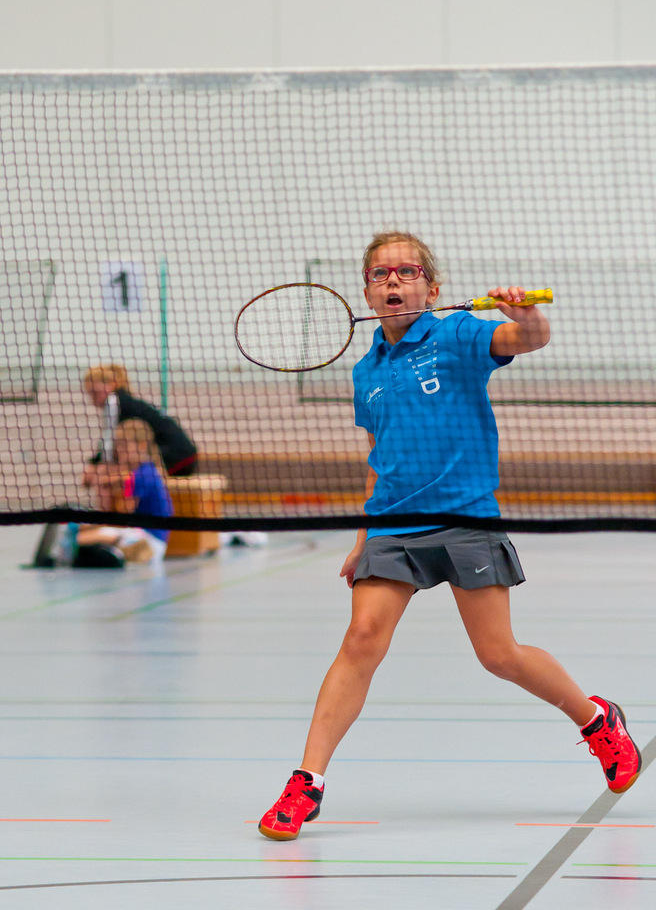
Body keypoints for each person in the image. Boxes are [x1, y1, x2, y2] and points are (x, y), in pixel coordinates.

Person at [257, 230, 642, 841]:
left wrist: (524, 315)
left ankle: (597, 721)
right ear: (367, 292)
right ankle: (307, 782)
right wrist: (363, 535)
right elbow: (378, 456)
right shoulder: (366, 372)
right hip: (393, 525)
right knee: (360, 640)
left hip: (466, 518)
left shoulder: (457, 335)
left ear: (431, 289)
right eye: (380, 274)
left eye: (406, 271)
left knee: (499, 656)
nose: (393, 281)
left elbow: (527, 338)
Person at [82, 364, 198, 496]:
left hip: (177, 458)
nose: (93, 399)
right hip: (184, 457)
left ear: (112, 384)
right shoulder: (123, 401)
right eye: (90, 394)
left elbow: (108, 442)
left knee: (105, 475)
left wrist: (94, 465)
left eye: (95, 393)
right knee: (107, 473)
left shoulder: (114, 401)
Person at [72, 419, 173, 568]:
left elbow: (121, 520)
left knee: (82, 538)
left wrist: (87, 527)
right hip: (143, 537)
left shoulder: (143, 476)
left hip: (149, 544)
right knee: (85, 535)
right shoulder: (141, 472)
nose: (119, 450)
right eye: (118, 445)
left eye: (124, 445)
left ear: (142, 445)